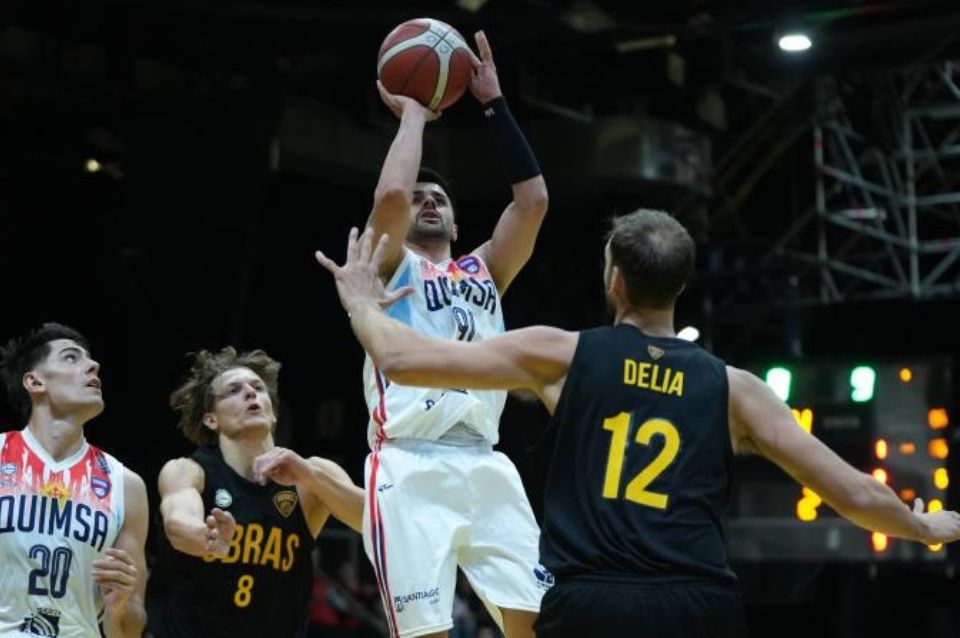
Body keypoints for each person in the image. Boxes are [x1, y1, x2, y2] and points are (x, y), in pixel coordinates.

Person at [317, 219, 960, 638]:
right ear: (679, 285)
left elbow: (401, 360)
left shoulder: (561, 354)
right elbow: (851, 491)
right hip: (698, 604)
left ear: (614, 280)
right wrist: (925, 528)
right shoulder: (736, 389)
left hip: (593, 603)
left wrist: (362, 304)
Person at [360, 27, 550, 638]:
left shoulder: (484, 270)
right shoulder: (388, 264)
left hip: (485, 459)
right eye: (420, 198)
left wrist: (494, 103)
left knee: (540, 622)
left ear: (457, 222)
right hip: (410, 461)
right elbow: (391, 192)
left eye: (438, 198)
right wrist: (415, 116)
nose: (427, 202)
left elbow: (533, 201)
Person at [146, 346, 364, 638]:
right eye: (233, 390)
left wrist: (313, 478)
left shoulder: (311, 475)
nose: (250, 393)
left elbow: (377, 522)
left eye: (258, 388)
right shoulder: (188, 470)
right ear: (211, 419)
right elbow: (177, 523)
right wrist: (208, 538)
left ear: (272, 413)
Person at [0, 322, 148, 637]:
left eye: (90, 359)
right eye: (71, 357)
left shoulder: (126, 485)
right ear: (34, 381)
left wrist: (119, 607)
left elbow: (129, 630)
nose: (93, 365)